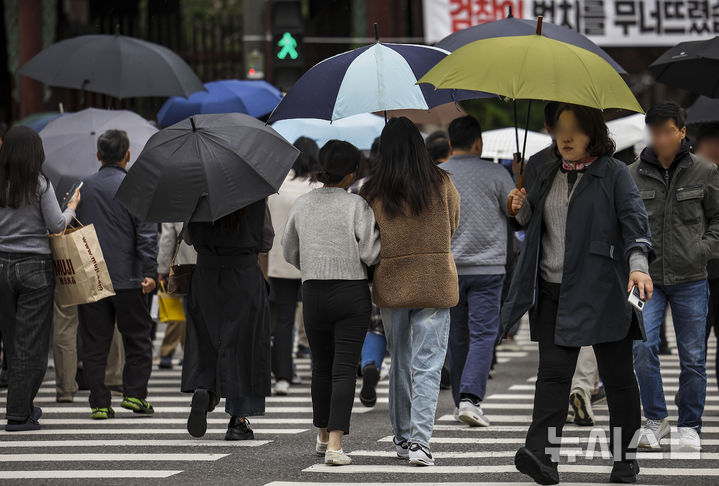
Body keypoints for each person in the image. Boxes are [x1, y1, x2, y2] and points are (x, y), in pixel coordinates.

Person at [501, 103, 653, 485]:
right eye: (559, 128)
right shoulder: (540, 166)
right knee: (552, 376)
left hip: (603, 288)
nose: (565, 137)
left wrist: (638, 265)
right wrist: (517, 207)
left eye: (575, 129)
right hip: (552, 290)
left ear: (592, 134)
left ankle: (624, 459)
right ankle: (542, 459)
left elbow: (635, 224)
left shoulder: (615, 173)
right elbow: (529, 221)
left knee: (618, 378)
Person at [361, 117, 460, 466]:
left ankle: (402, 438)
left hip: (391, 281)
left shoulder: (372, 190)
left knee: (400, 361)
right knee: (429, 364)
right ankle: (421, 441)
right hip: (435, 279)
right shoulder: (441, 181)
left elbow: (367, 238)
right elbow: (454, 223)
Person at [283, 140, 381, 465]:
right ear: (352, 172)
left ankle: (323, 436)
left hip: (312, 291)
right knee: (343, 371)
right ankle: (337, 446)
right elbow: (370, 252)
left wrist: (313, 263)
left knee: (320, 368)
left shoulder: (302, 204)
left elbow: (289, 251)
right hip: (352, 291)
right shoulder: (357, 205)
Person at [630, 102, 719, 453]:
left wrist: (702, 249)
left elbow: (717, 219)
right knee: (641, 347)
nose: (661, 139)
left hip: (692, 277)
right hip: (646, 279)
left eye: (668, 131)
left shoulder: (705, 171)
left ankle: (690, 425)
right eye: (655, 133)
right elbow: (625, 225)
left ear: (682, 131)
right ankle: (655, 419)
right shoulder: (633, 174)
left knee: (693, 356)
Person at [0, 126, 81, 430]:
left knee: (12, 341)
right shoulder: (39, 184)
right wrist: (71, 207)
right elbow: (57, 225)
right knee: (31, 344)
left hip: (1, 267)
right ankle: (19, 414)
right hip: (34, 267)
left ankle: (23, 406)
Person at [76, 129, 158, 420]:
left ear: (99, 155)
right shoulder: (136, 186)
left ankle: (99, 402)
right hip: (129, 277)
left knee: (94, 342)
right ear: (127, 155)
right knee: (137, 337)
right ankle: (135, 395)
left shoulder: (83, 187)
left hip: (92, 276)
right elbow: (147, 234)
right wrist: (150, 272)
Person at [441, 116, 514, 427]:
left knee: (456, 336)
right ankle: (471, 398)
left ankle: (461, 400)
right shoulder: (497, 173)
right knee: (483, 334)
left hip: (450, 266)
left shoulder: (439, 175)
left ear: (449, 144)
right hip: (489, 266)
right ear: (478, 143)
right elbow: (515, 211)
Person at [183, 198, 274, 441]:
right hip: (244, 273)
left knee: (206, 336)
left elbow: (189, 237)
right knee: (246, 344)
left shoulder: (199, 193)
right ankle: (238, 420)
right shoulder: (254, 195)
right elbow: (266, 241)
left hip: (206, 274)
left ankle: (205, 387)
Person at [267, 137, 319, 395]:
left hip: (279, 261)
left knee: (284, 321)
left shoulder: (276, 185)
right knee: (315, 319)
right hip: (313, 263)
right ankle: (318, 370)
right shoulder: (318, 188)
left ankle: (283, 376)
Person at [157, 222, 197, 369]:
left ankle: (168, 353)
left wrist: (162, 269)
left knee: (178, 312)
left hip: (181, 267)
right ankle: (193, 353)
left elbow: (167, 240)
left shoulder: (174, 202)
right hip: (207, 266)